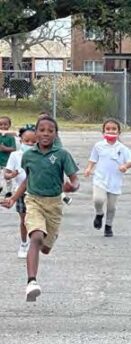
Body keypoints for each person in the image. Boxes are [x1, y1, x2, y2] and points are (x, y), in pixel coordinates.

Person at [0, 116, 79, 302]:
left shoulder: (62, 154)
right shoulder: (28, 156)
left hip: (54, 205)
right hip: (33, 201)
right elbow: (28, 180)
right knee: (35, 237)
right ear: (36, 134)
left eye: (50, 131)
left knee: (45, 248)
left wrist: (72, 187)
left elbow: (74, 179)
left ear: (56, 134)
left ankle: (50, 236)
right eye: (41, 130)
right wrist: (13, 199)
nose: (45, 133)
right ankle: (32, 282)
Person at [84, 119, 131, 237]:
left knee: (111, 207)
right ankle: (99, 213)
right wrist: (89, 168)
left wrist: (125, 166)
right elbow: (93, 159)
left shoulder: (122, 148)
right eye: (108, 129)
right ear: (103, 132)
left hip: (115, 181)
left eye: (114, 129)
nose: (111, 131)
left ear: (119, 132)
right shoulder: (99, 146)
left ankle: (108, 226)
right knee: (98, 199)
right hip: (100, 179)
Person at [4, 125, 37, 258]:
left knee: (36, 220)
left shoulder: (40, 155)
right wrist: (11, 175)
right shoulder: (15, 155)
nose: (30, 144)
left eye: (33, 142)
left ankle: (35, 243)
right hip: (20, 193)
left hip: (37, 192)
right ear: (20, 140)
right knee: (24, 220)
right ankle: (24, 244)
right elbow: (6, 174)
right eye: (26, 141)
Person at [37, 111, 72, 206]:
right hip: (39, 163)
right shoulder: (37, 134)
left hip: (52, 162)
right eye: (40, 119)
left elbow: (59, 149)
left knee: (55, 181)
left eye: (45, 118)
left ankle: (63, 196)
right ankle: (63, 197)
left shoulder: (54, 138)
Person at [0, 115, 17, 198]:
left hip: (7, 161)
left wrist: (4, 148)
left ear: (9, 125)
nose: (3, 126)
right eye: (0, 124)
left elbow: (14, 149)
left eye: (5, 124)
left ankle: (9, 191)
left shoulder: (10, 137)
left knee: (7, 177)